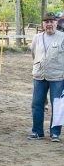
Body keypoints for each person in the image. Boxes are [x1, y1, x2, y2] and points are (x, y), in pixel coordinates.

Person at [27, 12, 64, 142]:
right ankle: (37, 132)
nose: (49, 24)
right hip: (39, 76)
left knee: (57, 105)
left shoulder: (62, 37)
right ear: (43, 24)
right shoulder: (37, 37)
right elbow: (33, 53)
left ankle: (55, 133)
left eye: (51, 21)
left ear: (56, 23)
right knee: (37, 104)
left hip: (58, 77)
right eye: (46, 22)